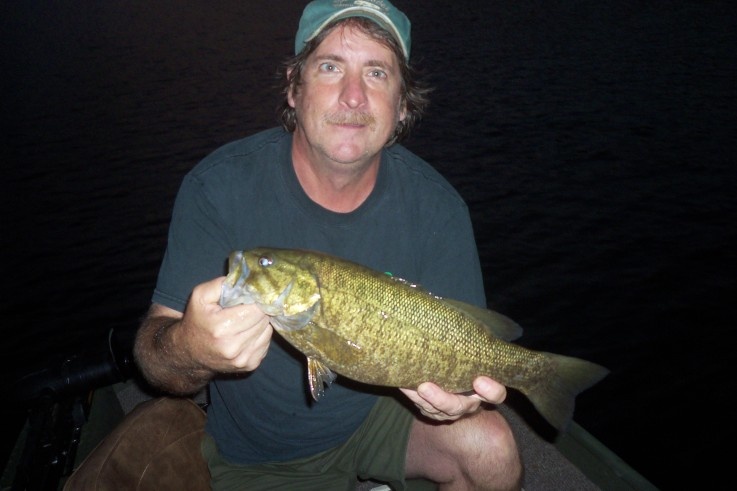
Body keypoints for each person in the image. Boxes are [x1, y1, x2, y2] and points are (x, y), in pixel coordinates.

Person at [134, 1, 523, 489]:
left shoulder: (440, 208)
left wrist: (466, 395)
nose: (354, 96)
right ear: (294, 88)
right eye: (331, 66)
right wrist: (191, 348)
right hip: (258, 456)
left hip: (384, 411)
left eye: (377, 73)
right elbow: (153, 357)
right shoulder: (219, 187)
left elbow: (468, 339)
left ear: (402, 104)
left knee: (491, 449)